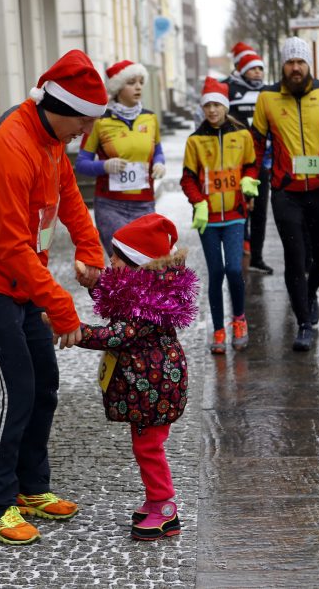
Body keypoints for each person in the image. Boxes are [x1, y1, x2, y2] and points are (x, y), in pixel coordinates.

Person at [0, 49, 107, 545]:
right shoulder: (13, 145)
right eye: (83, 118)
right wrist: (60, 307)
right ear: (60, 105)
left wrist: (91, 249)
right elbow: (12, 244)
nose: (86, 129)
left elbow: (71, 198)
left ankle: (31, 487)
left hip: (21, 280)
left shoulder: (53, 140)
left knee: (44, 382)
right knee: (11, 389)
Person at [68, 213, 198, 540]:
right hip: (149, 384)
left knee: (149, 448)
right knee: (146, 445)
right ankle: (156, 502)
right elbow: (114, 299)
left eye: (115, 257)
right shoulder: (141, 289)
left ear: (136, 264)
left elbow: (117, 334)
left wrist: (75, 332)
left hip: (155, 384)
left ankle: (164, 508)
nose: (110, 261)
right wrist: (93, 281)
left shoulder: (146, 302)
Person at [251, 36, 319, 352]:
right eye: (290, 62)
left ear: (308, 64)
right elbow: (255, 143)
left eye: (300, 62)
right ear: (282, 65)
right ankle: (303, 323)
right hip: (285, 192)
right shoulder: (267, 98)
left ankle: (310, 294)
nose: (295, 68)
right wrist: (251, 182)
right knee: (295, 259)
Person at [180, 77, 259, 354]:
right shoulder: (195, 141)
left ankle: (239, 319)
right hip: (208, 220)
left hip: (236, 215)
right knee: (215, 273)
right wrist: (198, 201)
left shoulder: (243, 136)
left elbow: (251, 165)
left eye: (217, 104)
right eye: (207, 105)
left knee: (234, 270)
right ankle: (218, 329)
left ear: (225, 107)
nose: (212, 110)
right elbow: (187, 178)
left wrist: (249, 182)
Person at [76, 59, 165, 257]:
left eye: (141, 82)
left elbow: (158, 151)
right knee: (123, 264)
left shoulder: (150, 118)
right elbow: (81, 164)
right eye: (131, 82)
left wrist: (159, 163)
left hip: (144, 203)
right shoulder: (100, 121)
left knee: (145, 262)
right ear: (118, 87)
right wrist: (104, 165)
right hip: (110, 205)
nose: (138, 87)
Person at [225, 42, 274, 276]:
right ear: (242, 69)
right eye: (253, 68)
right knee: (239, 210)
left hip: (261, 162)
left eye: (260, 69)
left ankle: (257, 256)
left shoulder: (268, 91)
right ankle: (238, 256)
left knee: (260, 212)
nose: (257, 73)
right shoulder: (229, 89)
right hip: (236, 163)